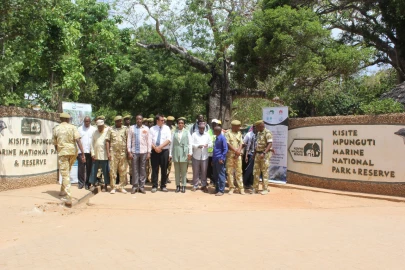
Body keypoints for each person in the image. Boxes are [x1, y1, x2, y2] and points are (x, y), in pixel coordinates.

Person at [53, 113, 86, 206]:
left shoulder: (56, 128)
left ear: (60, 119)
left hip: (63, 152)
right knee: (67, 171)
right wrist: (82, 153)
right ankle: (62, 190)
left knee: (65, 173)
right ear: (68, 120)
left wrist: (58, 152)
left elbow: (55, 143)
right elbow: (78, 140)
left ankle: (68, 196)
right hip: (73, 152)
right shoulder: (73, 127)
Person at [127, 114, 151, 194]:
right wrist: (129, 151)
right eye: (137, 119)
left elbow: (149, 141)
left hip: (144, 152)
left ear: (142, 120)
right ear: (135, 120)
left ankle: (141, 187)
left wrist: (149, 152)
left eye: (140, 119)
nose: (139, 120)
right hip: (134, 152)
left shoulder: (146, 129)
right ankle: (134, 186)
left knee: (143, 169)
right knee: (135, 169)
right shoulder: (131, 128)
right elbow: (129, 140)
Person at [106, 116, 129, 194]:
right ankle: (113, 187)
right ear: (115, 122)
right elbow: (107, 141)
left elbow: (128, 140)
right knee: (113, 170)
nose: (121, 122)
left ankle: (121, 187)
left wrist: (128, 151)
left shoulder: (125, 129)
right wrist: (108, 153)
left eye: (121, 121)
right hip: (113, 153)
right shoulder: (110, 129)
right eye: (119, 121)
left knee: (123, 170)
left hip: (123, 153)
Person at [150, 114, 172, 192]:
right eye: (162, 120)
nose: (163, 121)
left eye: (163, 120)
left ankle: (163, 185)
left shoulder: (167, 128)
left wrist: (160, 147)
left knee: (164, 168)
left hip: (164, 151)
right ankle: (154, 185)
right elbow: (149, 140)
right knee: (155, 168)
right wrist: (155, 148)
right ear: (157, 121)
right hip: (154, 151)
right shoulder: (152, 129)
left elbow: (169, 139)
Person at [169, 118, 192, 193]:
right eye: (179, 123)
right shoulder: (174, 132)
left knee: (184, 171)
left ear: (184, 124)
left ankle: (184, 186)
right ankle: (177, 186)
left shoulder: (187, 132)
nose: (180, 124)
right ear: (177, 124)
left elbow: (190, 143)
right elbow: (171, 144)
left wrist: (190, 153)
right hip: (176, 152)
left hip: (184, 152)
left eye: (182, 123)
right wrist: (170, 154)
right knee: (177, 171)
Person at [252, 120, 273, 195]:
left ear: (260, 126)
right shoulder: (258, 133)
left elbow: (270, 144)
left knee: (265, 172)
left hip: (264, 155)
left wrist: (264, 153)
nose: (256, 128)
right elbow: (257, 144)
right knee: (256, 172)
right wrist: (254, 154)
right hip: (257, 155)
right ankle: (255, 188)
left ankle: (265, 189)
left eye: (257, 127)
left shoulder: (267, 133)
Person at [225, 120, 245, 195]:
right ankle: (231, 188)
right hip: (230, 155)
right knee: (230, 172)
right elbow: (227, 144)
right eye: (238, 126)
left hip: (238, 155)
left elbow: (241, 143)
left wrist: (238, 151)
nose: (239, 128)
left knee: (239, 172)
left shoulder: (239, 133)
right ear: (234, 126)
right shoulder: (227, 133)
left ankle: (241, 188)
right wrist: (235, 150)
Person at [191, 122, 212, 192]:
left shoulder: (207, 135)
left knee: (204, 171)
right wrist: (197, 146)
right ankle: (195, 185)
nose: (202, 129)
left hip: (205, 156)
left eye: (203, 128)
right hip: (196, 155)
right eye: (200, 128)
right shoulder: (194, 134)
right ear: (198, 128)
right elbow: (191, 144)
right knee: (195, 171)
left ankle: (203, 185)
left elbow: (211, 143)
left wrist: (207, 145)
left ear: (204, 128)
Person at [90, 119, 110, 192]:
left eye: (101, 126)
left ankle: (105, 185)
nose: (100, 128)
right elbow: (92, 144)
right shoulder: (94, 132)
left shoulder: (107, 131)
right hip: (96, 154)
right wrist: (92, 153)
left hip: (104, 155)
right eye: (98, 127)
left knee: (105, 171)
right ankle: (93, 184)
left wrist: (109, 153)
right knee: (94, 170)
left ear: (103, 126)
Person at [77, 116, 96, 190]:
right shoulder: (79, 129)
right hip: (81, 152)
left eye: (88, 121)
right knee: (81, 168)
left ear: (90, 121)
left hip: (90, 152)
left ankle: (87, 183)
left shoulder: (93, 129)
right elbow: (77, 141)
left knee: (89, 168)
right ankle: (81, 183)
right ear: (83, 121)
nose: (87, 123)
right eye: (85, 121)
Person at [212, 126, 228, 196]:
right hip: (215, 159)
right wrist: (212, 160)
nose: (213, 131)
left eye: (214, 130)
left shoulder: (222, 138)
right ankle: (217, 188)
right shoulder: (217, 138)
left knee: (221, 175)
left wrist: (222, 158)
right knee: (216, 175)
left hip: (219, 159)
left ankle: (221, 190)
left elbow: (225, 149)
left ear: (217, 131)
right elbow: (215, 150)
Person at [207, 119, 221, 186]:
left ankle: (216, 181)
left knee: (216, 167)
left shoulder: (220, 132)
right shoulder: (208, 132)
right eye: (213, 124)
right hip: (210, 153)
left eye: (215, 124)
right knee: (210, 167)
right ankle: (212, 181)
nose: (214, 125)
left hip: (217, 153)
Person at [243, 125, 257, 189]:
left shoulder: (259, 135)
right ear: (253, 127)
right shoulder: (249, 134)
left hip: (257, 155)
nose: (256, 128)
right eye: (255, 127)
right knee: (249, 169)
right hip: (250, 154)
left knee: (254, 170)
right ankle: (245, 182)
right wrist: (246, 156)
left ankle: (251, 183)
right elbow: (244, 143)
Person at [165, 115, 176, 183]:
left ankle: (167, 177)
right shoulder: (164, 128)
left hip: (171, 148)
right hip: (165, 147)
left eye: (171, 121)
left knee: (169, 163)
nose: (170, 123)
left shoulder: (174, 128)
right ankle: (164, 177)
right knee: (164, 164)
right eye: (169, 121)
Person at [123, 115, 132, 183]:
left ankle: (132, 178)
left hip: (131, 149)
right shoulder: (122, 128)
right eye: (126, 120)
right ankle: (124, 179)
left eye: (128, 119)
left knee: (131, 164)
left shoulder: (132, 128)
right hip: (123, 149)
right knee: (123, 165)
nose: (127, 121)